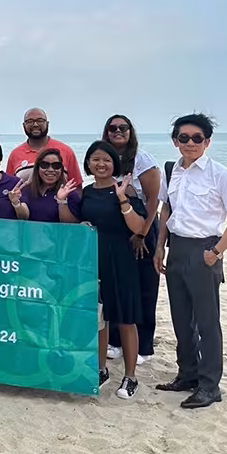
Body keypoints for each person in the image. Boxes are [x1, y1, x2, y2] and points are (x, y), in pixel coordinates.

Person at [154, 114, 227, 409]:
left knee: (207, 322)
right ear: (175, 141)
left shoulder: (220, 175)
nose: (190, 143)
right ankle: (188, 374)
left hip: (204, 250)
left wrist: (216, 251)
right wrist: (159, 247)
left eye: (197, 138)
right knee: (181, 320)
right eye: (184, 138)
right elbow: (165, 210)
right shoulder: (172, 172)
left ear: (207, 142)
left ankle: (209, 385)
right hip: (177, 249)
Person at [68, 141, 148, 399]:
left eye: (106, 160)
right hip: (94, 260)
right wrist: (71, 213)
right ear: (88, 164)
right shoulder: (87, 192)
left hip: (121, 260)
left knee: (126, 319)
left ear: (114, 163)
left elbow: (138, 227)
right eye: (95, 160)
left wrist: (123, 198)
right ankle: (101, 369)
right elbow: (77, 222)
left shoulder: (127, 190)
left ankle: (131, 376)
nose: (101, 164)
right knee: (100, 319)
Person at [102, 115, 162, 365]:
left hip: (143, 226)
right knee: (118, 285)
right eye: (112, 128)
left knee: (145, 287)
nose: (118, 131)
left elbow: (152, 200)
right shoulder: (105, 159)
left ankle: (144, 346)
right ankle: (115, 341)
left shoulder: (142, 160)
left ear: (130, 131)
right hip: (116, 228)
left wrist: (142, 234)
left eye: (123, 128)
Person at [6, 108, 83, 186]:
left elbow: (76, 186)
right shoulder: (15, 154)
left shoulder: (66, 151)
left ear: (47, 124)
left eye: (40, 121)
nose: (35, 125)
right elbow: (9, 186)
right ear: (23, 125)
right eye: (30, 121)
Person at [20, 148, 81, 223]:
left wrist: (62, 201)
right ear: (37, 168)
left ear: (61, 169)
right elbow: (22, 217)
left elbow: (72, 224)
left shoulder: (70, 193)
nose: (51, 170)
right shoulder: (28, 190)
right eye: (45, 165)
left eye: (56, 166)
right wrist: (16, 203)